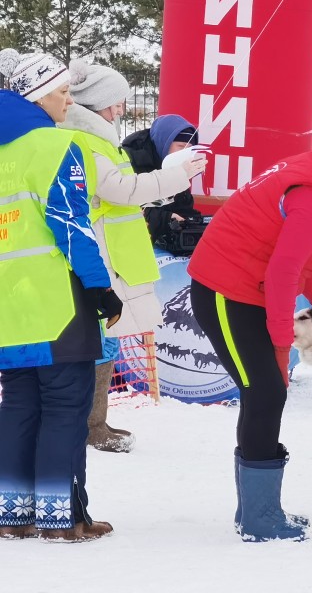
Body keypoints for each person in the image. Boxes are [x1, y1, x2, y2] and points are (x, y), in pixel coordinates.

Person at [187, 106, 312, 542]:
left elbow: (306, 272)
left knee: (265, 392)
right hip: (225, 289)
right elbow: (282, 272)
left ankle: (257, 512)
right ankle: (259, 518)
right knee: (264, 391)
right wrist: (282, 339)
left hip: (245, 289)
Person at [0, 48, 123, 541]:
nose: (68, 102)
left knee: (18, 410)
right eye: (61, 91)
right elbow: (72, 225)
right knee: (65, 410)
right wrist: (100, 287)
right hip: (57, 305)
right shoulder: (56, 147)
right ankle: (61, 519)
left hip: (10, 310)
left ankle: (14, 515)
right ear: (33, 95)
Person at [61, 58, 207, 452]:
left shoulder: (97, 139)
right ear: (100, 103)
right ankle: (90, 426)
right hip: (101, 254)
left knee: (104, 339)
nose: (123, 109)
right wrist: (179, 176)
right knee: (98, 340)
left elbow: (123, 193)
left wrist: (162, 191)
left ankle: (95, 422)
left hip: (111, 252)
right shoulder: (86, 140)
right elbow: (120, 191)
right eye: (118, 101)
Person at [122, 115, 204, 245]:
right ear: (164, 142)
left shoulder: (175, 165)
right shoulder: (131, 161)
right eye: (181, 146)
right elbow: (129, 204)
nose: (185, 153)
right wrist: (166, 219)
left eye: (190, 148)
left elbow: (182, 204)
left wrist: (193, 222)